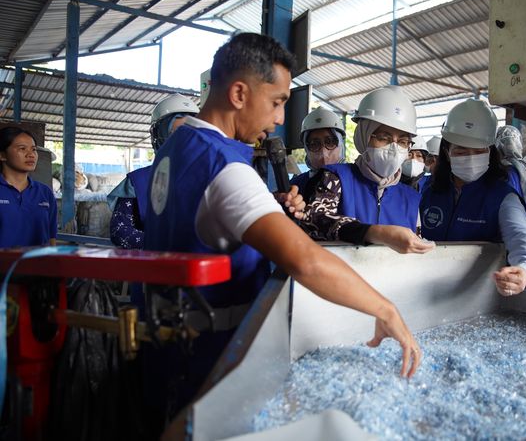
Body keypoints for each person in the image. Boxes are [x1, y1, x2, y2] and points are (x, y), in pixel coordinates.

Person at [143, 33, 421, 422]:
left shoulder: (178, 146)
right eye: (276, 102)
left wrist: (264, 208)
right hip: (213, 349)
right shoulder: (225, 168)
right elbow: (306, 260)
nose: (277, 119)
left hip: (169, 339)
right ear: (239, 93)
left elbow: (198, 219)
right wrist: (385, 309)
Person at [420, 99, 526, 296]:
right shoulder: (429, 189)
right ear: (446, 152)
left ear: (490, 152)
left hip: (475, 295)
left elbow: (521, 236)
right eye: (460, 150)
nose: (470, 157)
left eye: (478, 152)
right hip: (425, 287)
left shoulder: (502, 196)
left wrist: (525, 269)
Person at [300, 86, 435, 255]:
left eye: (402, 141)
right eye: (383, 138)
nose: (393, 148)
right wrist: (375, 233)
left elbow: (415, 243)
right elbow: (316, 219)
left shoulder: (410, 198)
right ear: (363, 137)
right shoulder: (336, 178)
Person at [107, 94, 199, 249]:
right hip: (152, 267)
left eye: (189, 134)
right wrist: (164, 245)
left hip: (195, 268)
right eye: (175, 133)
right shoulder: (138, 182)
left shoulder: (206, 176)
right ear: (159, 136)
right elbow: (120, 231)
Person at [0, 127, 57, 248]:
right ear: (2, 155)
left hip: (37, 265)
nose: (31, 155)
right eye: (22, 149)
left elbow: (52, 237)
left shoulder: (45, 193)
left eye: (34, 149)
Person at [290, 107, 345, 201]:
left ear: (340, 144)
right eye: (314, 144)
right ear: (306, 149)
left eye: (330, 142)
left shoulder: (354, 181)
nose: (324, 152)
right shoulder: (295, 186)